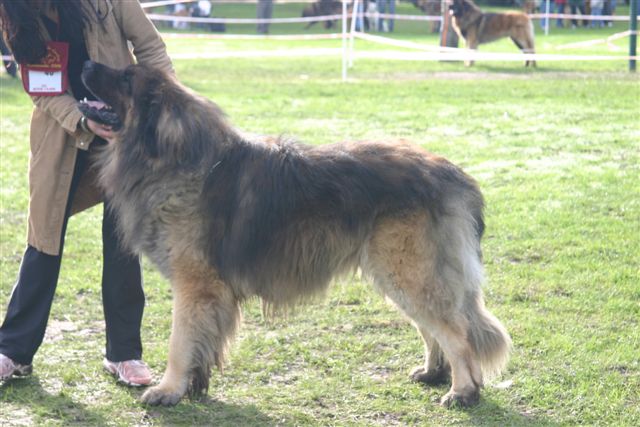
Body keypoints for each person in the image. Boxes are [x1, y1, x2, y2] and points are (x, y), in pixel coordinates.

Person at [0, 0, 173, 386]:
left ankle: (125, 354)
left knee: (122, 241)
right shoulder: (16, 15)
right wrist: (82, 119)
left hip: (123, 138)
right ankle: (14, 351)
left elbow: (150, 48)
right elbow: (41, 88)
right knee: (43, 239)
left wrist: (155, 109)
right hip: (63, 134)